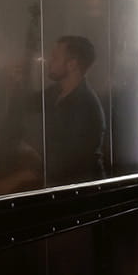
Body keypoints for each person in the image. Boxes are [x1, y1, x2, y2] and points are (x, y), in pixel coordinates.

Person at [43, 35, 107, 185]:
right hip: (63, 185)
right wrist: (18, 83)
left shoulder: (85, 106)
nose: (49, 61)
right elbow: (26, 106)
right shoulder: (54, 93)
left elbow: (69, 161)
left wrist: (27, 175)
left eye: (55, 57)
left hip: (82, 190)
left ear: (72, 64)